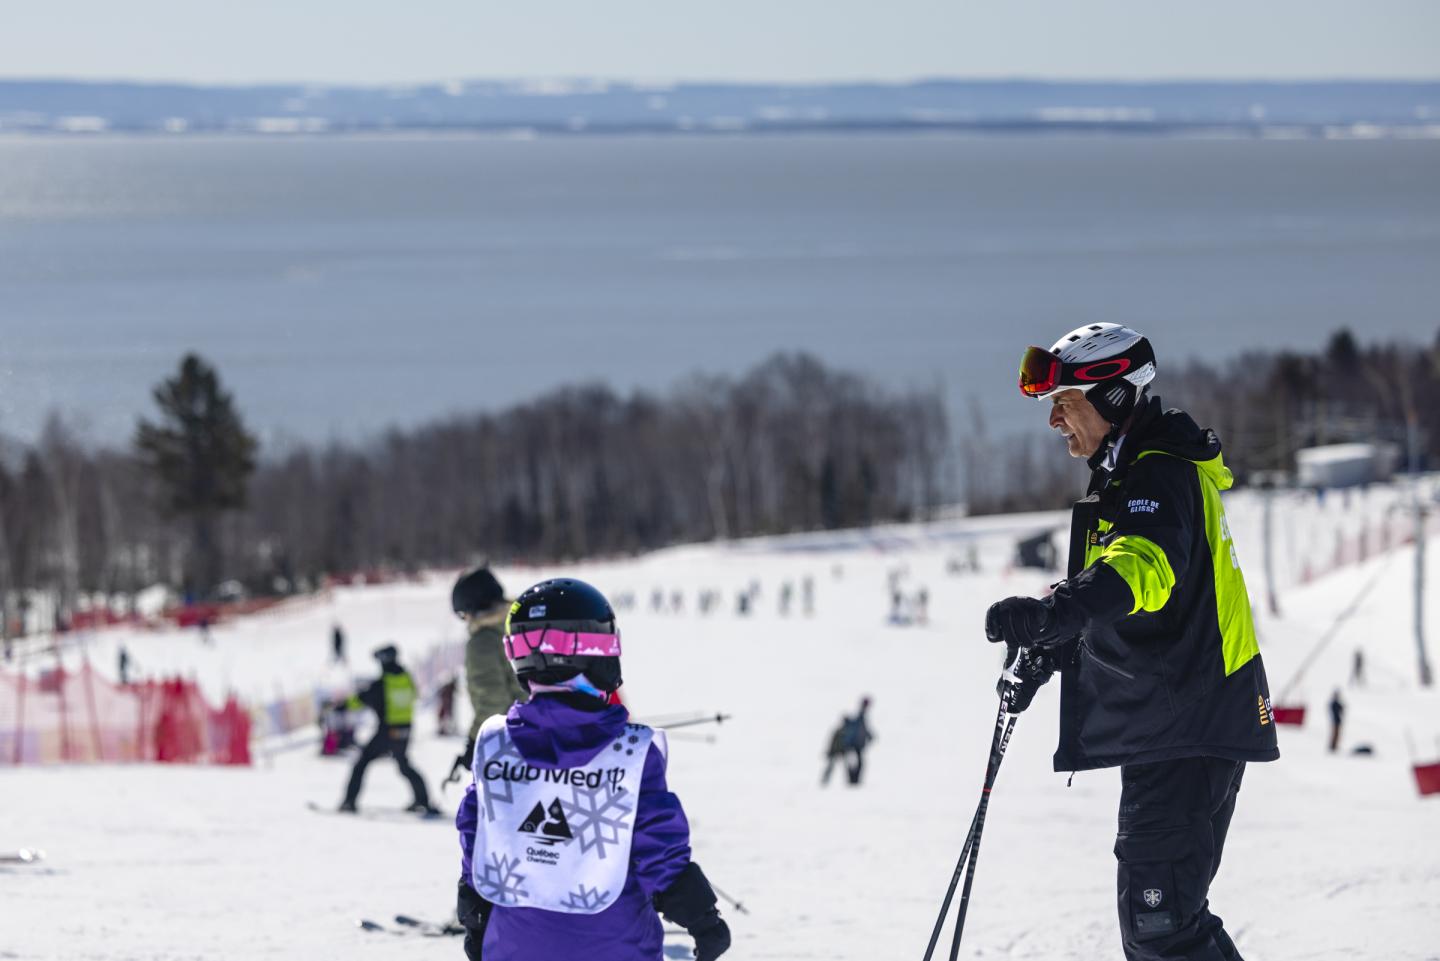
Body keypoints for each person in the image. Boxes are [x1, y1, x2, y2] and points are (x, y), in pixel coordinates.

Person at [985, 323, 1278, 961]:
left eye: (1063, 403)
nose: (1055, 421)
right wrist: (1051, 648)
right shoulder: (1132, 477)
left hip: (1189, 722)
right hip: (1176, 723)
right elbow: (1135, 606)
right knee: (1162, 924)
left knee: (1163, 924)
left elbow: (1141, 570)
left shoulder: (1158, 475)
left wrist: (1049, 613)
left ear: (1113, 397)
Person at [455, 578, 731, 961]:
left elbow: (478, 834)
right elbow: (657, 847)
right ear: (599, 655)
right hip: (612, 946)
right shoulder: (628, 753)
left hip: (514, 943)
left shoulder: (497, 746)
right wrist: (702, 916)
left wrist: (474, 906)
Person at [449, 565, 528, 784]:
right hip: (542, 735)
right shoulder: (524, 625)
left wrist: (474, 742)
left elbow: (492, 702)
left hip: (511, 745)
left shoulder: (483, 642)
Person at [336, 644, 436, 814]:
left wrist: (341, 706)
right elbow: (414, 695)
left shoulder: (383, 683)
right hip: (405, 729)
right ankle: (423, 801)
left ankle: (349, 802)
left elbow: (362, 699)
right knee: (404, 765)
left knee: (362, 763)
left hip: (388, 729)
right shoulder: (406, 677)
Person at [1328, 689, 1345, 753]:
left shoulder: (1334, 703)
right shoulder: (1334, 703)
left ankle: (1334, 746)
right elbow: (1340, 709)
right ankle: (1333, 746)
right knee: (1335, 734)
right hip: (1336, 721)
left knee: (1336, 734)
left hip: (1336, 721)